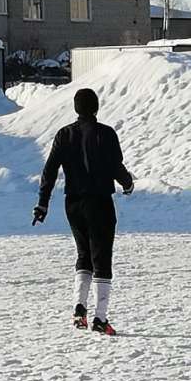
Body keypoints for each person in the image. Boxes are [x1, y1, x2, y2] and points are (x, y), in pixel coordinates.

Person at [32, 88, 134, 335]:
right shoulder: (106, 133)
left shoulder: (64, 134)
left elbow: (50, 170)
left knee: (83, 254)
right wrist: (127, 183)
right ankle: (100, 318)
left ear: (76, 108)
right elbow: (114, 165)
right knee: (102, 258)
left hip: (73, 204)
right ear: (96, 107)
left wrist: (43, 203)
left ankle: (79, 309)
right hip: (99, 201)